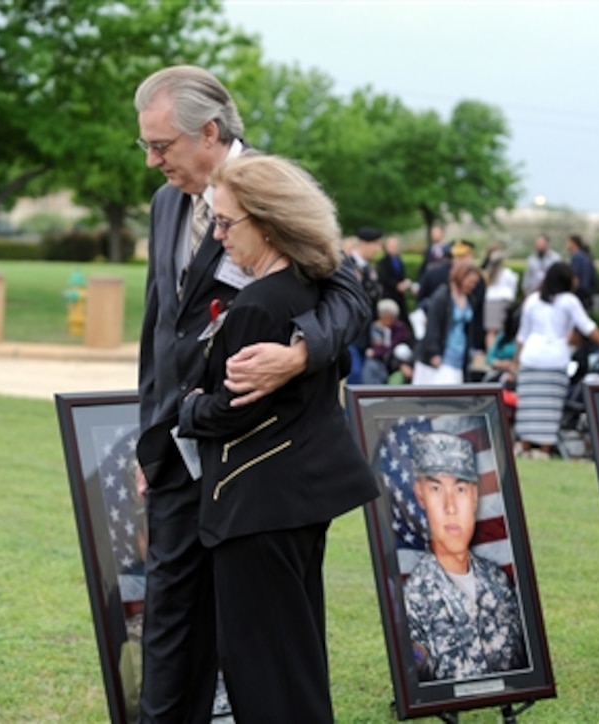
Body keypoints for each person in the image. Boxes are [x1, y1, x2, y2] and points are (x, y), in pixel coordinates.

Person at [132, 65, 370, 723]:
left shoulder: (269, 191)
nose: (153, 162)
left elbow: (349, 296)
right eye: (145, 147)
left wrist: (297, 353)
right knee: (171, 622)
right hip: (180, 450)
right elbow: (162, 326)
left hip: (258, 468)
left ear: (208, 132)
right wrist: (149, 438)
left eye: (163, 146)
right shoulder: (166, 205)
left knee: (263, 642)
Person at [176, 152, 379, 721]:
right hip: (300, 497)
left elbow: (230, 408)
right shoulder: (308, 291)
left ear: (268, 224)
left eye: (225, 224)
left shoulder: (259, 306)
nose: (218, 237)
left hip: (256, 506)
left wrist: (189, 409)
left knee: (261, 669)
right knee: (294, 656)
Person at [402, 431, 527, 681]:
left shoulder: (499, 581)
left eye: (460, 488)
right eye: (436, 488)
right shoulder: (413, 596)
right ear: (420, 495)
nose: (450, 506)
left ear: (474, 495)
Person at [513, 262, 599, 458]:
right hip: (555, 358)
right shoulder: (568, 300)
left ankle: (525, 447)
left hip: (530, 357)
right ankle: (544, 449)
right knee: (550, 407)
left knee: (529, 406)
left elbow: (522, 336)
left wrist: (516, 362)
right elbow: (588, 327)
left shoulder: (532, 300)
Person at [412, 263, 482, 385]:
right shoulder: (442, 297)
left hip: (459, 355)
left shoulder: (470, 299)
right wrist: (433, 353)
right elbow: (433, 325)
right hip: (442, 355)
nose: (472, 286)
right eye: (470, 282)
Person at [345, 226, 384, 384]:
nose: (378, 249)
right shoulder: (347, 266)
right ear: (365, 244)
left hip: (364, 331)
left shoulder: (369, 268)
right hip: (350, 331)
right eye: (376, 244)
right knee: (355, 374)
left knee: (360, 376)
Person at [361, 298, 413, 385]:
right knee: (370, 366)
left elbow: (392, 348)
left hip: (396, 363)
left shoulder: (401, 329)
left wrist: (376, 352)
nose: (385, 318)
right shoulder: (376, 327)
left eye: (388, 316)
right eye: (383, 315)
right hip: (379, 363)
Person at [481, 244, 518, 352]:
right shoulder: (508, 274)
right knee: (500, 331)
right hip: (503, 300)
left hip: (491, 301)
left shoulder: (487, 273)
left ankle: (491, 355)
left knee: (491, 332)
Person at [377, 234, 412, 325]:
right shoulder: (383, 262)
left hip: (400, 297)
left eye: (395, 246)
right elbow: (384, 278)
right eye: (392, 246)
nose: (394, 248)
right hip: (389, 295)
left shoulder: (399, 260)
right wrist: (396, 285)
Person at [566, 233, 597, 310]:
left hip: (580, 293)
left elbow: (575, 277)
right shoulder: (585, 256)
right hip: (587, 292)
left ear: (573, 243)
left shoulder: (577, 257)